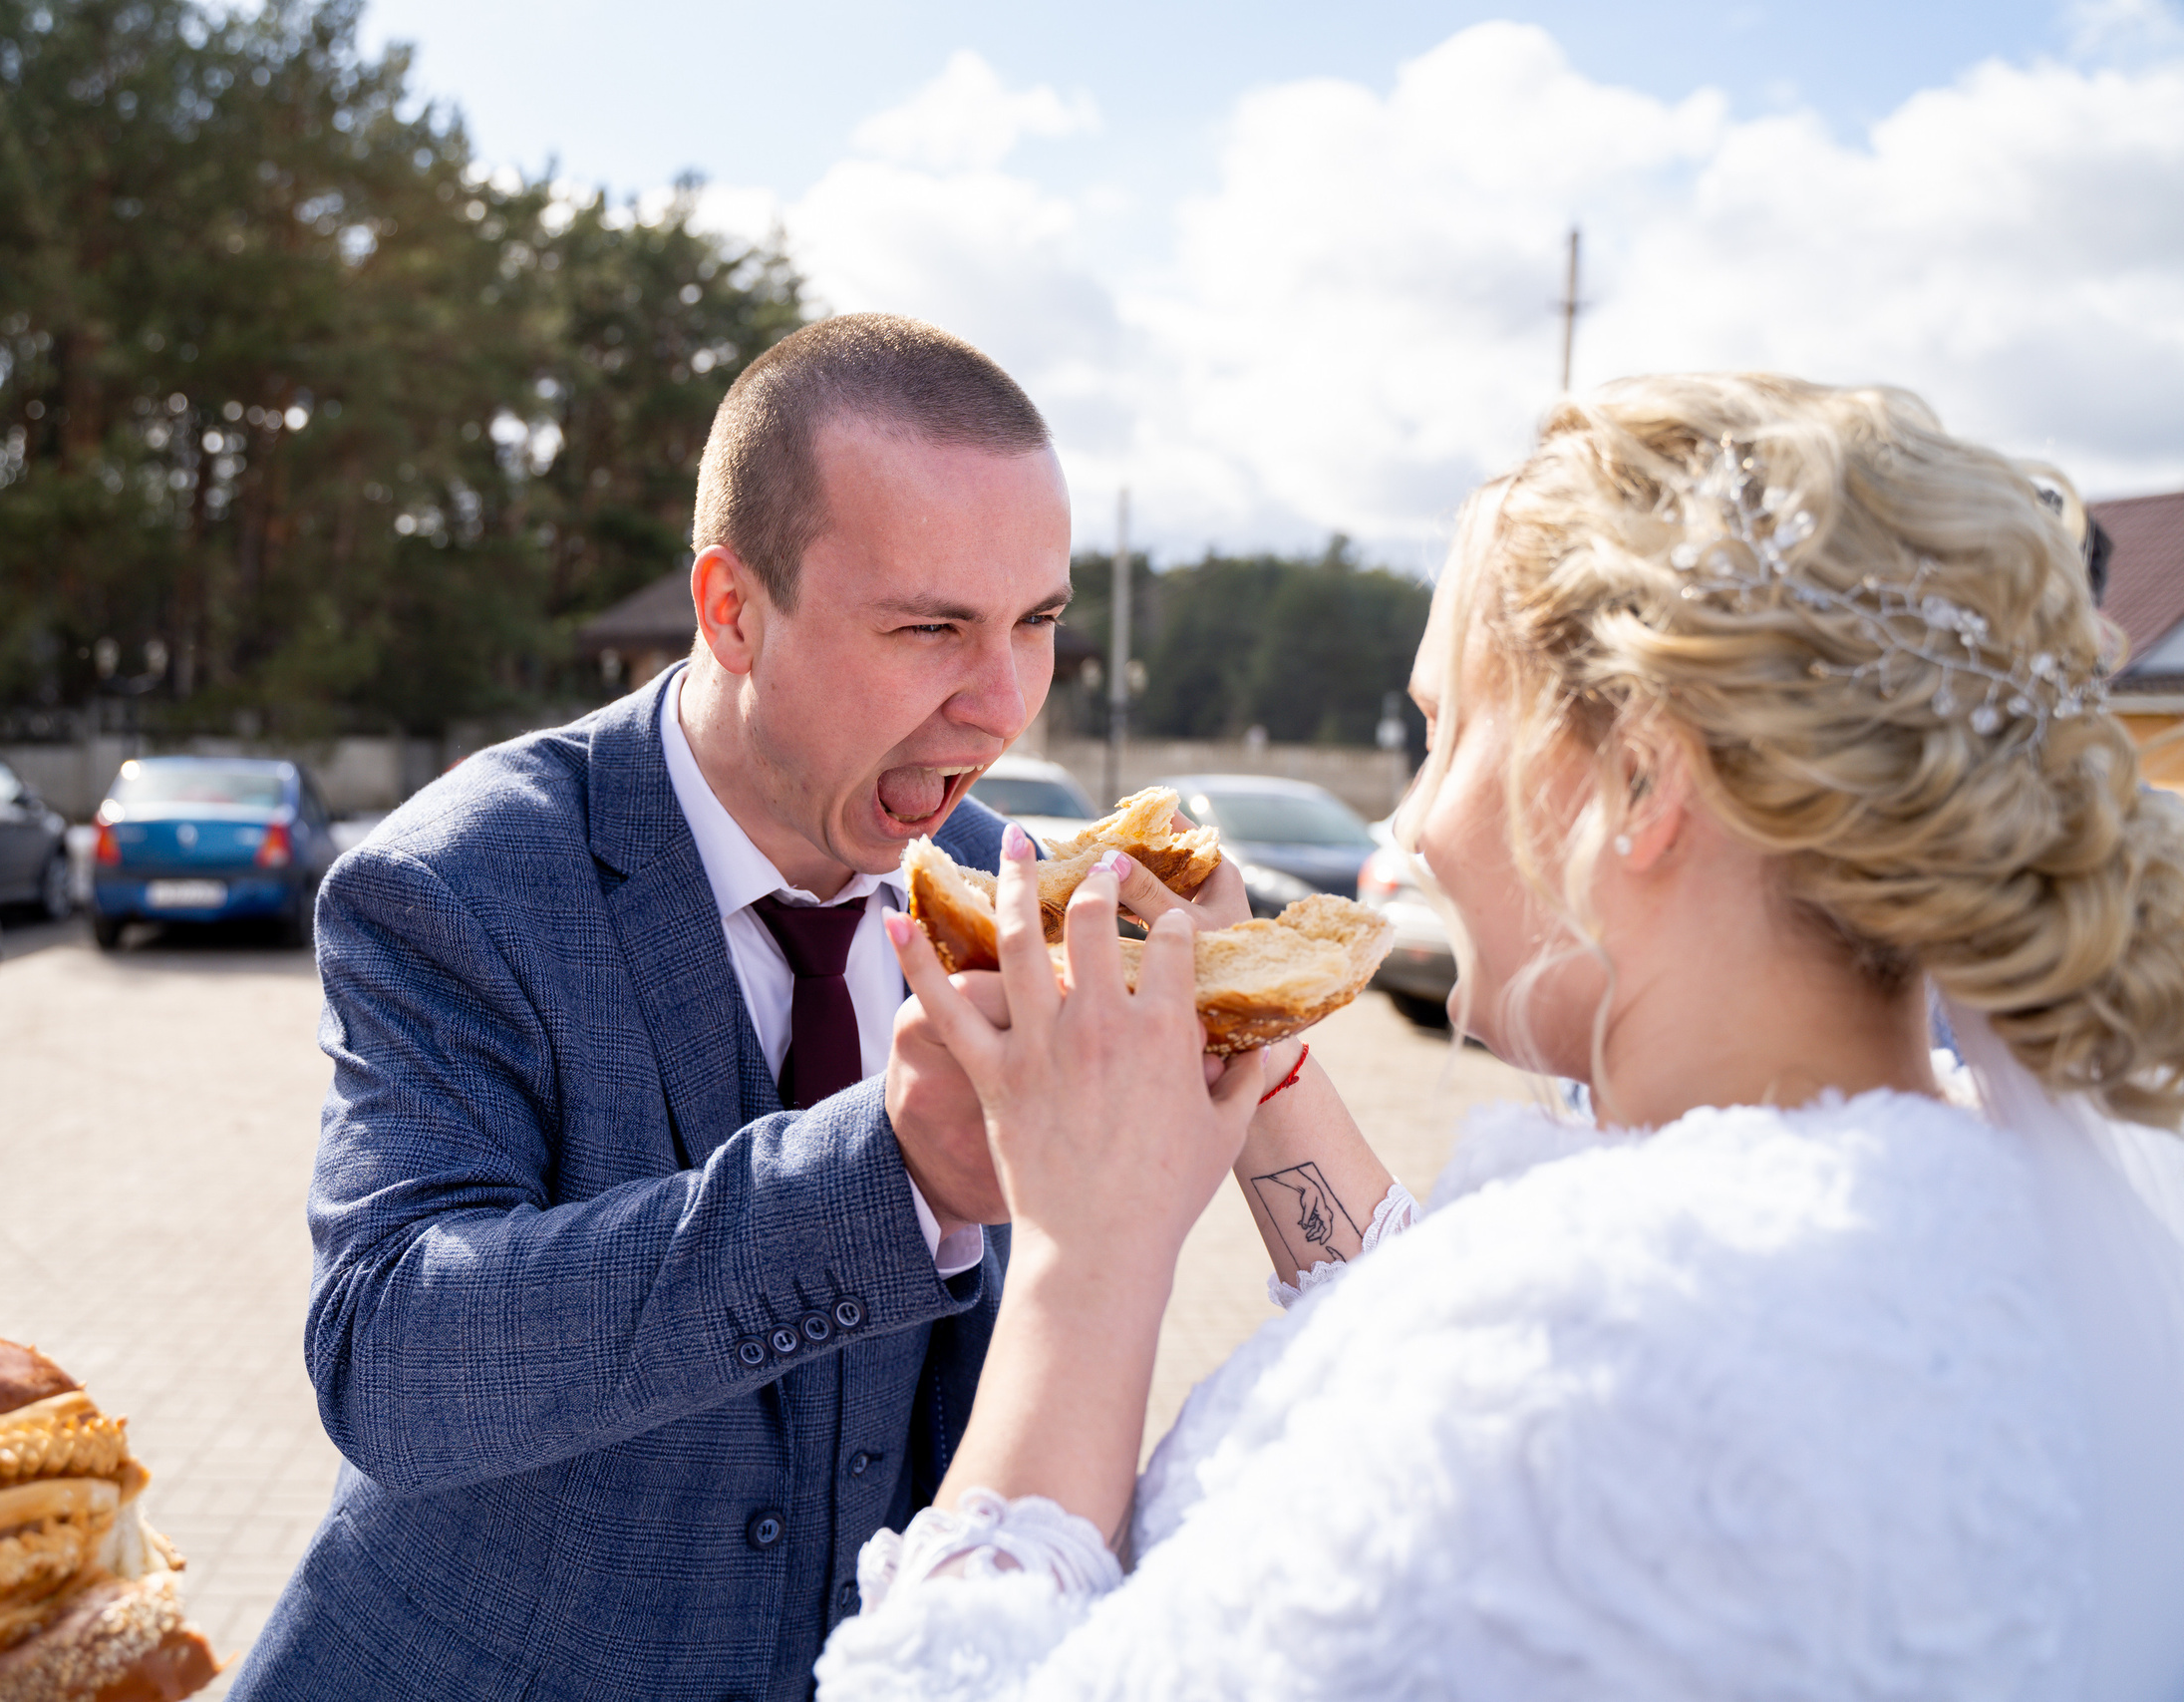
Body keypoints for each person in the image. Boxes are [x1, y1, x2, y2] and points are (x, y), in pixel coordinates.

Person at [815, 373, 2184, 1700]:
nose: (1412, 823)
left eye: (1444, 730)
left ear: (1638, 778)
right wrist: (1252, 1041)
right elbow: (1420, 1323)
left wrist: (1086, 1251)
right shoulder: (2000, 1214)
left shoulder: (1578, 1350)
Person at [233, 314, 1071, 1700]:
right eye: (930, 627)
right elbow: (389, 1360)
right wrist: (889, 1174)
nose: (999, 706)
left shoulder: (1015, 893)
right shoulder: (458, 881)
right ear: (732, 609)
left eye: (1036, 623)